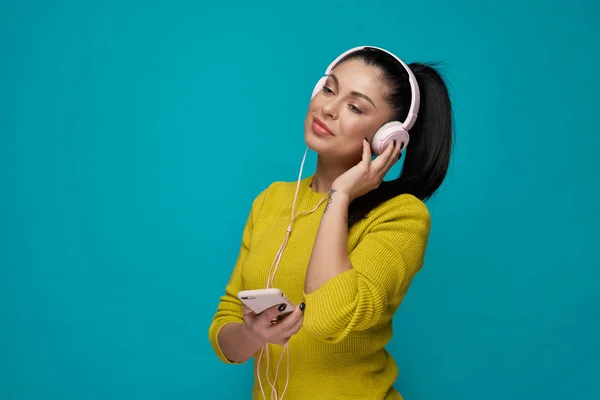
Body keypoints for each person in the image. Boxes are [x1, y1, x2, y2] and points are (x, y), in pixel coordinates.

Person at [208, 45, 453, 400]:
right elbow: (226, 327)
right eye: (329, 89)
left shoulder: (401, 216)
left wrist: (340, 198)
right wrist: (255, 336)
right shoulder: (271, 201)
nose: (328, 109)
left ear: (388, 138)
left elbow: (330, 318)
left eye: (354, 107)